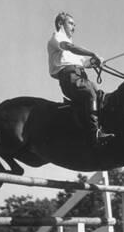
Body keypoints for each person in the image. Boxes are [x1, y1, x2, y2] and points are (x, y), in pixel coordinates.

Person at [47, 12, 111, 146]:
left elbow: (85, 63)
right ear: (60, 24)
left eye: (74, 25)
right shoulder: (57, 38)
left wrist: (95, 61)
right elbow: (70, 47)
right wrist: (92, 53)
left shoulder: (70, 47)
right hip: (69, 78)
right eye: (70, 23)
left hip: (80, 76)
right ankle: (93, 134)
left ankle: (100, 127)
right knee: (90, 92)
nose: (74, 28)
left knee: (98, 94)